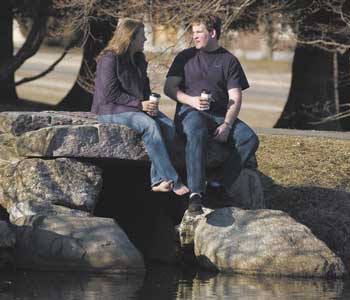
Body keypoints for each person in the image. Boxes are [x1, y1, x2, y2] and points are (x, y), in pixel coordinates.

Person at [164, 15, 259, 213]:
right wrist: (191, 101)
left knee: (249, 139)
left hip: (218, 115)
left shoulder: (229, 60)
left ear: (213, 33)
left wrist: (227, 125)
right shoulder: (185, 57)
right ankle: (195, 194)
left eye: (199, 32)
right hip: (190, 111)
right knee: (196, 132)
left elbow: (235, 96)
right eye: (193, 32)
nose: (194, 36)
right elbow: (169, 87)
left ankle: (218, 186)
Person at [91, 18, 189, 196]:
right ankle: (173, 181)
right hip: (110, 110)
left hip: (135, 108)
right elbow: (109, 94)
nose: (145, 39)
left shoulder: (139, 60)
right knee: (149, 125)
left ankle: (157, 180)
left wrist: (150, 103)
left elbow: (143, 90)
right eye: (142, 36)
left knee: (170, 128)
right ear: (130, 37)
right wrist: (140, 105)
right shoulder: (109, 59)